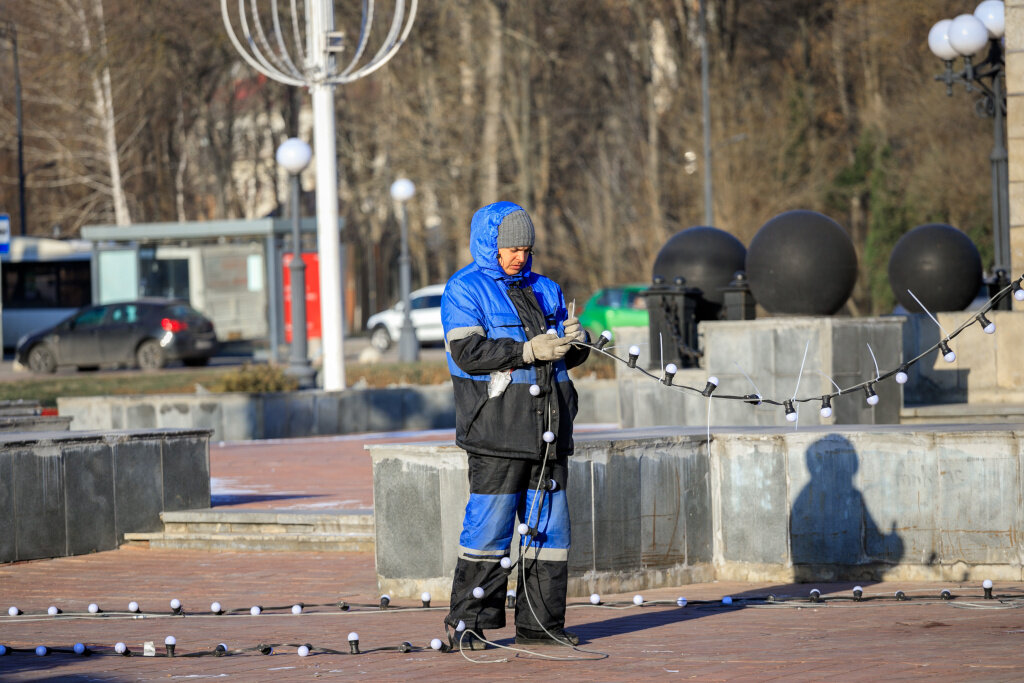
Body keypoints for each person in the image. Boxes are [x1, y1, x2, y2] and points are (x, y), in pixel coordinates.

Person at [441, 201, 590, 649]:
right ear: (489, 245)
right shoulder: (463, 290)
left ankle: (541, 625)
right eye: (510, 249)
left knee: (550, 534)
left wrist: (578, 343)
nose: (519, 257)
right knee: (488, 530)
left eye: (525, 249)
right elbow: (468, 353)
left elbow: (562, 353)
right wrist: (527, 351)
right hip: (497, 431)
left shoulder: (547, 288)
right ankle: (468, 625)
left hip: (549, 433)